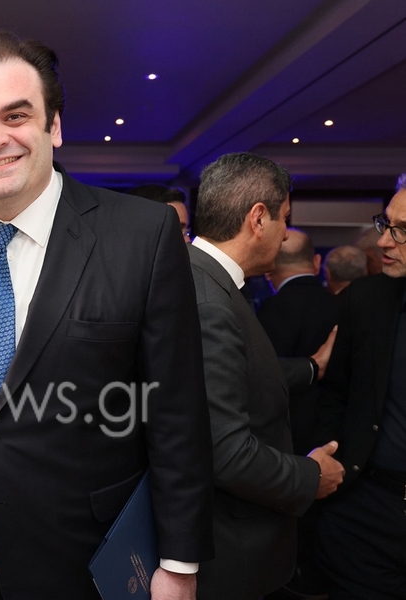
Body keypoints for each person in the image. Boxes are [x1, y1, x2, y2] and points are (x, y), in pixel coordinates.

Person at [0, 31, 214, 600]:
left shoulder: (140, 233)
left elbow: (177, 411)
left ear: (54, 126)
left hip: (84, 559)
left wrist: (179, 562)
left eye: (15, 115)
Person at [187, 152, 344, 600]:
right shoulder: (209, 301)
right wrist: (310, 477)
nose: (286, 233)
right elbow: (225, 453)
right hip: (228, 549)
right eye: (285, 219)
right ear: (258, 218)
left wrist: (311, 366)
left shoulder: (206, 280)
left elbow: (241, 377)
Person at [314, 173, 406, 598]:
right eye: (386, 224)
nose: (384, 241)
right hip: (365, 512)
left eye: (402, 231)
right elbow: (335, 393)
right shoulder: (365, 299)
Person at [259, 228, 339, 454]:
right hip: (329, 431)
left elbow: (261, 375)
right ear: (317, 262)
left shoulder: (269, 310)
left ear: (269, 269)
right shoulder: (340, 307)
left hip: (280, 433)